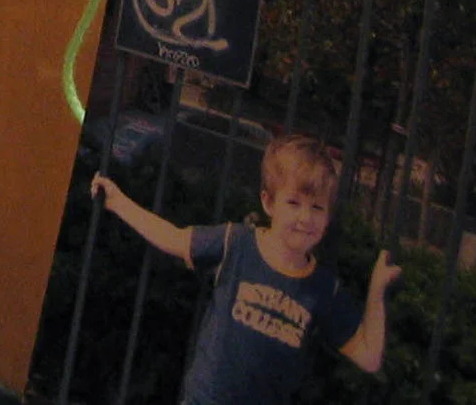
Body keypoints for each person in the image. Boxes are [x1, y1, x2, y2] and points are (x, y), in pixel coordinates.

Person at [89, 133, 400, 405]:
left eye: (317, 207)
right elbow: (174, 238)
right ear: (269, 203)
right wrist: (118, 202)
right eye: (293, 203)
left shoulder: (322, 288)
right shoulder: (235, 244)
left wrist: (376, 290)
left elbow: (369, 357)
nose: (305, 218)